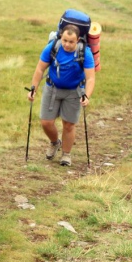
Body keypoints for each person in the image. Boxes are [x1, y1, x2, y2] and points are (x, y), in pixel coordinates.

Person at [27, 25, 95, 167]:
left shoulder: (85, 53)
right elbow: (40, 69)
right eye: (64, 40)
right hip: (52, 88)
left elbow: (90, 78)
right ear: (60, 37)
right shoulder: (53, 47)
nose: (67, 44)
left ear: (77, 40)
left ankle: (66, 154)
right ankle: (54, 143)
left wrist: (86, 96)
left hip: (74, 91)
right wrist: (34, 88)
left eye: (71, 42)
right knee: (46, 122)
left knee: (69, 124)